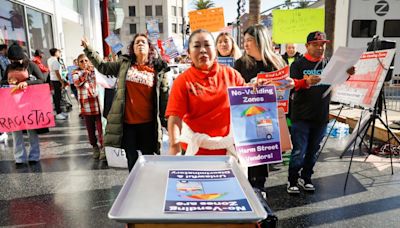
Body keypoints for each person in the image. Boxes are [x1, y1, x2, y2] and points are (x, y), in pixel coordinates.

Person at [81, 33, 170, 171]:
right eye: (137, 42)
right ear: (132, 49)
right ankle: (133, 185)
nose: (140, 44)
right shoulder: (124, 64)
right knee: (131, 158)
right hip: (128, 124)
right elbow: (103, 67)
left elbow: (164, 97)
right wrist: (88, 49)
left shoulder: (158, 69)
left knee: (148, 157)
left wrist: (167, 121)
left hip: (148, 124)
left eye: (143, 42)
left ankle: (148, 184)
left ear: (149, 48)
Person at [287, 31, 355, 194]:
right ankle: (292, 180)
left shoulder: (329, 64)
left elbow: (338, 80)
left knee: (313, 151)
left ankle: (307, 178)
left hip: (321, 116)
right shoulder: (298, 64)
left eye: (322, 45)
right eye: (315, 44)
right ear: (307, 46)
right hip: (301, 116)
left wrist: (348, 75)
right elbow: (290, 84)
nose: (320, 48)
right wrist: (306, 82)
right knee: (298, 151)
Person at [166, 29, 245, 156]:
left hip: (228, 152)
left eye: (207, 45)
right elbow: (174, 117)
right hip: (195, 153)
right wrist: (174, 146)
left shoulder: (232, 75)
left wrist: (260, 88)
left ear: (215, 49)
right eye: (197, 46)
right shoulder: (182, 81)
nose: (202, 50)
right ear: (189, 53)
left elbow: (248, 102)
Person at [234, 24, 288, 193]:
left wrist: (288, 85)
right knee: (247, 156)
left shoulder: (278, 62)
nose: (246, 44)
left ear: (260, 41)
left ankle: (260, 188)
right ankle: (248, 189)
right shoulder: (240, 64)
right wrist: (249, 86)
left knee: (263, 156)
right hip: (246, 117)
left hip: (268, 119)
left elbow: (284, 93)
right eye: (245, 40)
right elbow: (234, 90)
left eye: (249, 40)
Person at [0, 44, 45, 165]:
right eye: (13, 60)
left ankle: (34, 156)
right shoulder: (9, 67)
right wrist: (9, 82)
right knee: (15, 130)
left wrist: (27, 83)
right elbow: (3, 81)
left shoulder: (30, 65)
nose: (16, 62)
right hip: (13, 102)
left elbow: (41, 79)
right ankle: (19, 157)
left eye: (17, 59)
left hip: (29, 102)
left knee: (32, 130)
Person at [72, 54, 105, 160]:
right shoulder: (76, 73)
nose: (84, 63)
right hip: (86, 107)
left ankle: (103, 148)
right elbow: (77, 83)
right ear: (77, 63)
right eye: (81, 61)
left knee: (101, 130)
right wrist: (86, 72)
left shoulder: (95, 71)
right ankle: (94, 147)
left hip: (98, 105)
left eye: (86, 60)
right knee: (90, 131)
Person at [47, 48, 68, 120]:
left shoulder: (49, 59)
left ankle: (59, 112)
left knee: (57, 96)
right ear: (56, 53)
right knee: (57, 97)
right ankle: (58, 113)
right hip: (56, 80)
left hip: (53, 79)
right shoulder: (55, 61)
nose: (60, 53)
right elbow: (57, 73)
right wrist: (62, 82)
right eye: (59, 52)